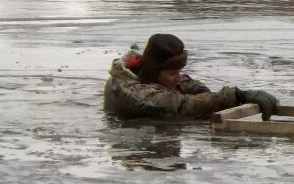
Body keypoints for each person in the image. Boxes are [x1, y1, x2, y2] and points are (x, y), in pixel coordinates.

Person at [103, 33, 279, 121]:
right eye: (173, 73)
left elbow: (186, 82)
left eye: (178, 71)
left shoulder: (150, 74)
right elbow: (180, 104)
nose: (178, 77)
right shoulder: (137, 94)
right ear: (154, 71)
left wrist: (204, 93)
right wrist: (238, 95)